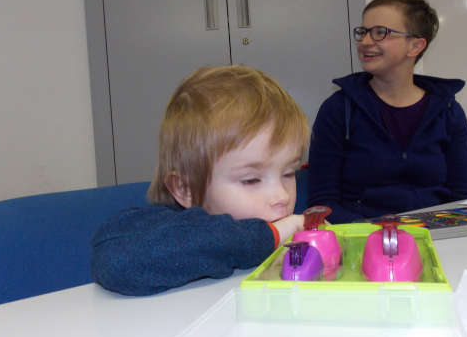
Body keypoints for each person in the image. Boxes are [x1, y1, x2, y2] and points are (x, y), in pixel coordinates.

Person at [91, 65, 309, 296]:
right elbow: (115, 261)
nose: (282, 196)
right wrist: (269, 236)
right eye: (251, 180)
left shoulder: (281, 225)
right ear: (185, 189)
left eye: (288, 173)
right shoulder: (157, 234)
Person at [308, 0, 467, 223]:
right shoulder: (338, 109)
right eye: (363, 32)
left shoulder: (449, 112)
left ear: (415, 46)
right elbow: (322, 203)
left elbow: (463, 199)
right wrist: (375, 232)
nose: (365, 41)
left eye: (380, 32)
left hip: (435, 234)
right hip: (361, 236)